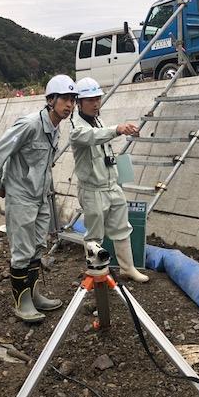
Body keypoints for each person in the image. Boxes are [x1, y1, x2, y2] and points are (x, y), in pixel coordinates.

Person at [0, 74, 78, 322]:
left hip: (40, 198)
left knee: (38, 246)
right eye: (64, 99)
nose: (69, 105)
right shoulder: (29, 125)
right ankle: (22, 302)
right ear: (50, 100)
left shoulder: (55, 129)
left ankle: (35, 294)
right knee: (22, 250)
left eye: (72, 100)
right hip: (21, 197)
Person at [70, 77, 149, 283]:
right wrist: (117, 129)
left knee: (122, 228)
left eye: (98, 99)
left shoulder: (99, 120)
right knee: (94, 236)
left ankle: (127, 268)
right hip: (92, 189)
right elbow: (93, 137)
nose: (96, 103)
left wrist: (118, 131)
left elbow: (103, 140)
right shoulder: (76, 127)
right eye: (90, 100)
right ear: (79, 102)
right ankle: (97, 276)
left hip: (111, 185)